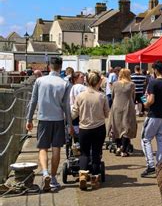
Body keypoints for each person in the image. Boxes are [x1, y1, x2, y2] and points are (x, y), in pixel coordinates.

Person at [26, 57, 73, 192]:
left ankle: (45, 173)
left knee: (43, 148)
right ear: (60, 67)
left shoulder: (40, 81)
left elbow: (33, 101)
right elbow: (66, 107)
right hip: (58, 119)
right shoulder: (65, 83)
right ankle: (53, 178)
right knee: (57, 148)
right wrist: (69, 124)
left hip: (43, 118)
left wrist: (29, 120)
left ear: (49, 66)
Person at [71, 71, 109, 190]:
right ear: (99, 82)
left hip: (84, 128)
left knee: (84, 153)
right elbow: (107, 113)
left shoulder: (80, 96)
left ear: (87, 81)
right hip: (98, 128)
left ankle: (82, 174)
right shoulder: (102, 96)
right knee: (96, 153)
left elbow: (74, 114)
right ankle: (94, 178)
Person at [141, 61, 162, 177]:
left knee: (146, 139)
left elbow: (151, 100)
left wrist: (145, 104)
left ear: (155, 70)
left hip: (154, 115)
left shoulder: (153, 83)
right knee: (161, 141)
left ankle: (150, 165)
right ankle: (160, 165)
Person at [109, 68, 137, 157]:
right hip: (128, 106)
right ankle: (124, 150)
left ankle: (118, 146)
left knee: (117, 127)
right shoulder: (131, 84)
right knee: (126, 128)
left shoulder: (115, 84)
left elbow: (112, 96)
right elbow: (133, 97)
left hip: (116, 106)